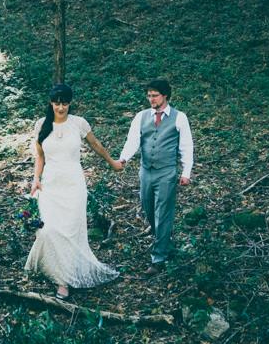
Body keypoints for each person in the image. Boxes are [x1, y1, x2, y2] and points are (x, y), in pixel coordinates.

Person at [24, 84, 122, 299]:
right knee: (49, 229)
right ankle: (53, 269)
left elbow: (95, 144)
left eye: (65, 103)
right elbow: (39, 156)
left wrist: (112, 162)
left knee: (70, 231)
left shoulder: (78, 123)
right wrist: (36, 179)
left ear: (70, 103)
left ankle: (63, 281)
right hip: (50, 185)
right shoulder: (42, 124)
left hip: (73, 185)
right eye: (57, 103)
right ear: (51, 103)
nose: (61, 107)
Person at [118, 78, 194, 276]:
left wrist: (186, 172)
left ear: (165, 96)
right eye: (149, 95)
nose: (151, 99)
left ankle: (158, 257)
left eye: (155, 95)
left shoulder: (179, 117)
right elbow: (132, 140)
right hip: (146, 171)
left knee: (163, 212)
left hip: (166, 172)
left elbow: (186, 146)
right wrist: (123, 159)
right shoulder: (141, 116)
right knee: (148, 207)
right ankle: (164, 237)